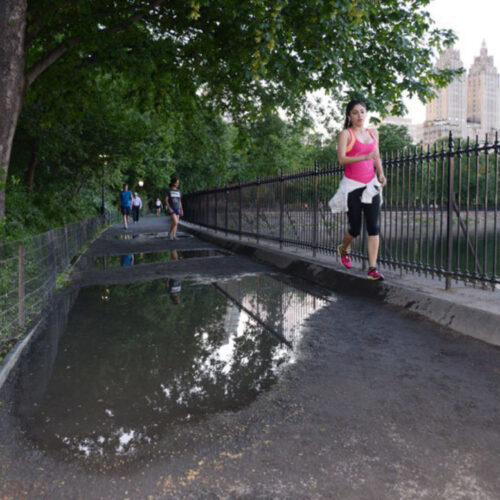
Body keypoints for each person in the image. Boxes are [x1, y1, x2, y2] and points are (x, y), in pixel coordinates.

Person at [329, 99, 387, 280]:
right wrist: (364, 156)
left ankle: (372, 269)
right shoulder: (345, 134)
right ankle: (344, 248)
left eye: (362, 111)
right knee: (354, 229)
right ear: (349, 116)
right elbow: (342, 160)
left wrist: (381, 174)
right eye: (355, 112)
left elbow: (376, 156)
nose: (359, 115)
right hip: (353, 186)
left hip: (371, 185)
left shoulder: (373, 132)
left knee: (373, 227)